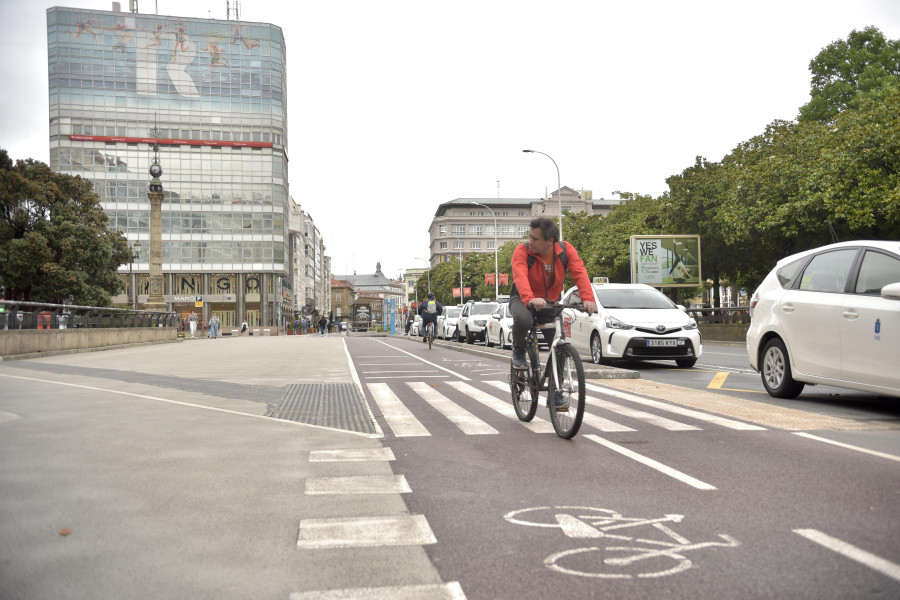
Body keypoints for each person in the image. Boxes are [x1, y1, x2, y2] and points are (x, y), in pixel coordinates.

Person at [509, 217, 598, 404]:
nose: (530, 241)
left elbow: (580, 273)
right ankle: (518, 350)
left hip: (549, 302)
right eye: (530, 237)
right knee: (524, 320)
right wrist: (530, 298)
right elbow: (520, 275)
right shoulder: (522, 251)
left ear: (550, 241)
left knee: (559, 346)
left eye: (535, 239)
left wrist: (588, 298)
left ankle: (555, 392)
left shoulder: (566, 250)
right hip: (523, 298)